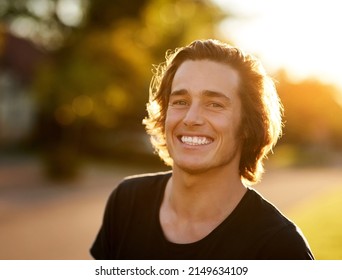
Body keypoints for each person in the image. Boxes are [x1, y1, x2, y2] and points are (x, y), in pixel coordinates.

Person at [90, 39, 314, 259]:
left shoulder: (280, 248)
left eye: (214, 104)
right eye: (180, 101)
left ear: (248, 125)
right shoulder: (127, 202)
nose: (191, 118)